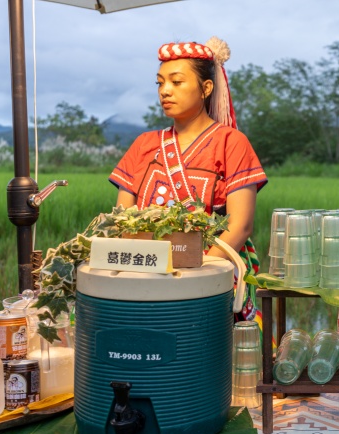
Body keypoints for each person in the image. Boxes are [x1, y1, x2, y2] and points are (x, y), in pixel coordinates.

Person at [110, 37, 267, 321]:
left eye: (176, 82)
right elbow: (123, 221)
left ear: (206, 88)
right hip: (146, 276)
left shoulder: (231, 142)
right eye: (160, 83)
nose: (165, 91)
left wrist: (194, 271)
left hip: (211, 275)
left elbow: (240, 225)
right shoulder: (143, 144)